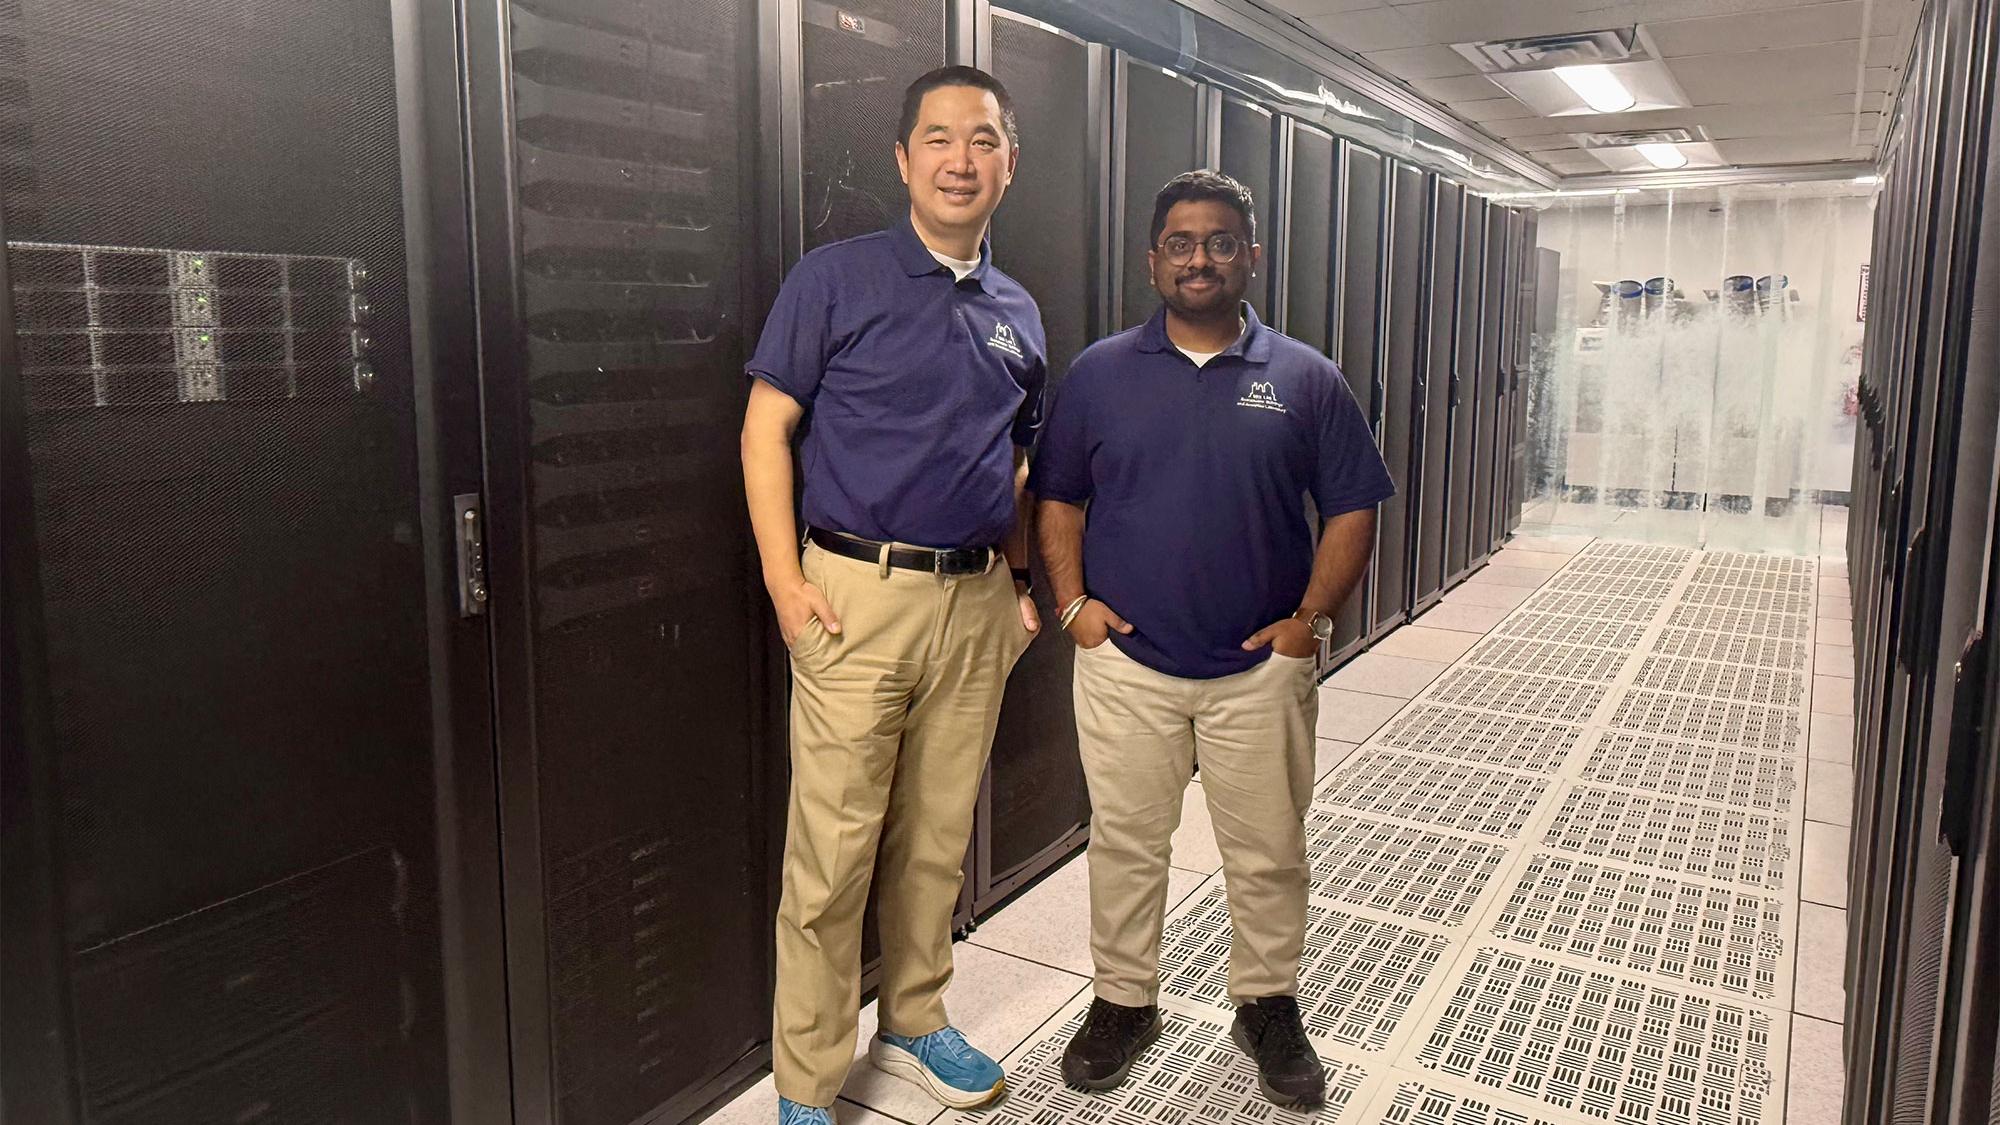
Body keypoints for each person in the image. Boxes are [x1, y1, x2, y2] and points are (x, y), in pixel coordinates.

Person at [1031, 170, 1393, 1107]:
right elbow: (1057, 496)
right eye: (1182, 243)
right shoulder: (1100, 373)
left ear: (1251, 257)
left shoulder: (1306, 377)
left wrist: (1310, 623)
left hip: (1259, 669)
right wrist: (1073, 609)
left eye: (1221, 242)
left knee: (1269, 849)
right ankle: (1123, 1001)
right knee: (1125, 843)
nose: (1201, 259)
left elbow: (1354, 505)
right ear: (1153, 260)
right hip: (1127, 664)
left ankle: (1266, 1005)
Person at [739, 66, 1045, 1125]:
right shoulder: (835, 279)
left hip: (974, 605)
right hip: (852, 598)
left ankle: (914, 1019)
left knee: (935, 839)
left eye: (983, 140)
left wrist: (1017, 583)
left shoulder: (1017, 310)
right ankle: (806, 1084)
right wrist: (785, 585)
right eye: (940, 138)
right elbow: (765, 430)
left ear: (1010, 162)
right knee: (831, 858)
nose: (962, 159)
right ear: (904, 158)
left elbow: (1014, 458)